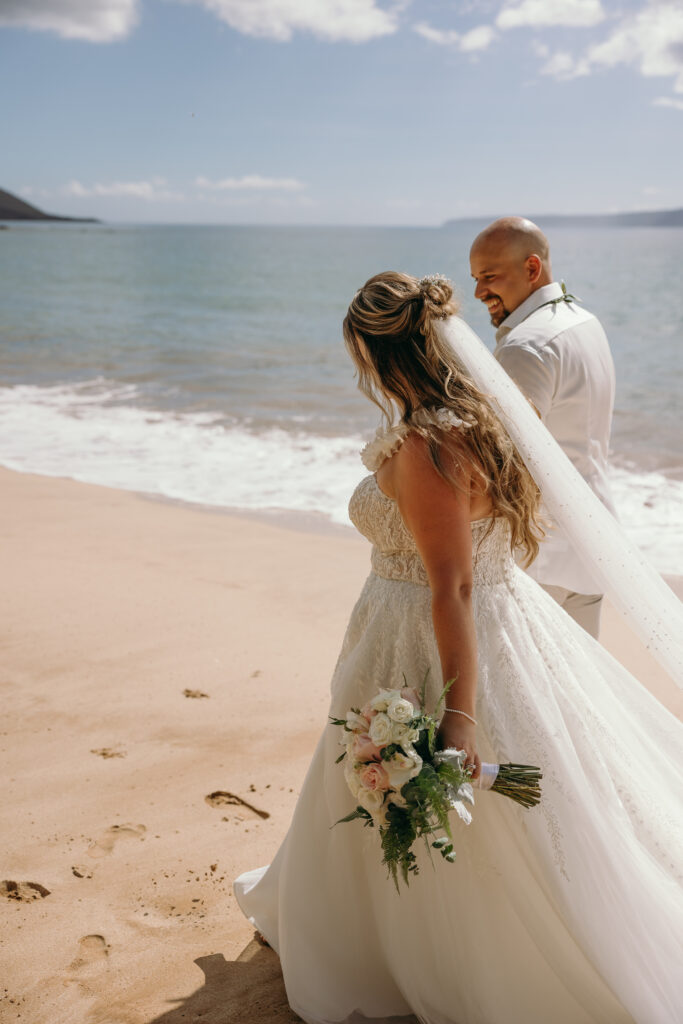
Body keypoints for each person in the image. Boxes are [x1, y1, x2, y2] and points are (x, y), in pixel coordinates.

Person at [234, 272, 682, 1024]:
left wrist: (458, 719)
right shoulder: (480, 422)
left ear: (382, 353)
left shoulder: (427, 447)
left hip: (430, 637)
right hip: (505, 627)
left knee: (452, 799)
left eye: (359, 356)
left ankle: (422, 958)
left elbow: (454, 587)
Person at [470, 217, 616, 638]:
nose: (480, 292)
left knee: (532, 695)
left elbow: (504, 459)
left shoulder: (526, 346)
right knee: (580, 691)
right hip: (594, 540)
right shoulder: (585, 322)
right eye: (477, 278)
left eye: (489, 277)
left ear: (532, 269)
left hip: (540, 555)